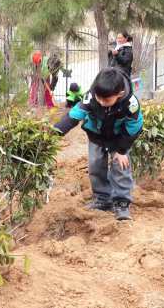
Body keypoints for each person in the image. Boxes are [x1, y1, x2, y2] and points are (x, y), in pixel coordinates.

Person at [53, 67, 143, 221]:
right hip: (97, 134)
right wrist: (54, 133)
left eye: (106, 100)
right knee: (95, 165)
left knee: (121, 166)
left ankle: (121, 203)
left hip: (119, 137)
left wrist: (121, 150)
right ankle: (102, 199)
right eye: (98, 98)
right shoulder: (91, 97)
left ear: (119, 94)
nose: (101, 102)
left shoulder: (130, 103)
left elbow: (134, 127)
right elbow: (73, 116)